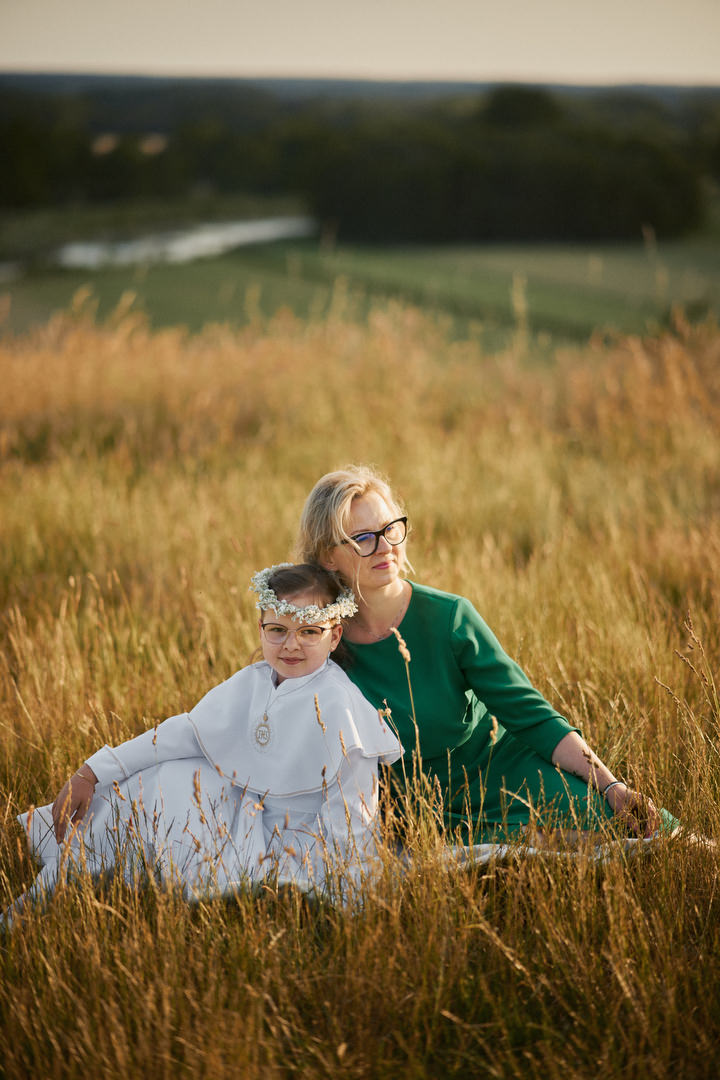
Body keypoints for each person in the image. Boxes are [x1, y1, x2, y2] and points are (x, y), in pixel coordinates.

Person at [296, 465, 678, 844]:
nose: (385, 546)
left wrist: (611, 785)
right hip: (413, 810)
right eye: (363, 538)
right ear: (329, 556)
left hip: (500, 773)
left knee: (637, 830)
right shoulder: (320, 638)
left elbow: (531, 714)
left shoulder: (449, 617)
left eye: (390, 528)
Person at [11, 564, 402, 915]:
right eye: (278, 630)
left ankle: (111, 884)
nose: (291, 644)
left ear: (334, 636)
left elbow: (351, 818)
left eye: (309, 632)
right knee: (161, 777)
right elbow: (182, 734)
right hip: (240, 822)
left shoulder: (340, 705)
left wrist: (336, 889)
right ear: (261, 628)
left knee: (175, 787)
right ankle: (59, 882)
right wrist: (92, 771)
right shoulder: (252, 682)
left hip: (296, 851)